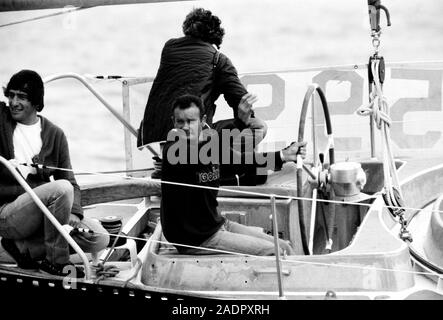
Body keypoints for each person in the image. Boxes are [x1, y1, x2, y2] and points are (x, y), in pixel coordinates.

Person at [160, 94, 307, 256]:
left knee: (284, 247)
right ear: (174, 122)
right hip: (194, 237)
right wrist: (239, 123)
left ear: (202, 121)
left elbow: (242, 161)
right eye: (180, 122)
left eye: (190, 121)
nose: (185, 127)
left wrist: (284, 155)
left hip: (215, 225)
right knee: (274, 253)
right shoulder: (173, 150)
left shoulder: (209, 144)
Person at [0, 70, 109, 277]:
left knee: (99, 237)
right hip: (7, 214)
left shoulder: (54, 134)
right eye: (11, 95)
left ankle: (23, 249)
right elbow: (63, 187)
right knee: (61, 189)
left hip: (40, 214)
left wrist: (75, 214)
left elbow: (70, 181)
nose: (13, 102)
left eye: (21, 97)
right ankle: (55, 262)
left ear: (36, 102)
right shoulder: (1, 120)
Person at [137, 8, 268, 173]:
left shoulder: (169, 48)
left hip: (166, 142)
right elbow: (240, 100)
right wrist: (244, 118)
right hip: (198, 143)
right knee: (258, 126)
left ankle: (172, 164)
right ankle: (224, 167)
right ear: (216, 36)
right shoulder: (218, 59)